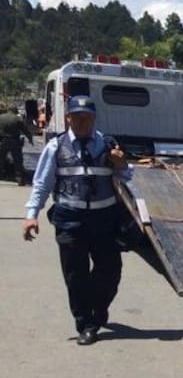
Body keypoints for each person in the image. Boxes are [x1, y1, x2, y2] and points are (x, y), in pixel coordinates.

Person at [22, 95, 131, 345]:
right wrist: (31, 216)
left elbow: (127, 176)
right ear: (68, 118)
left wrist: (121, 163)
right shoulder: (55, 147)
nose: (82, 122)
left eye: (87, 118)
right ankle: (86, 323)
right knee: (76, 275)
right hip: (70, 219)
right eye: (77, 117)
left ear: (94, 119)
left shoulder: (108, 143)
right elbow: (42, 183)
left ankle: (98, 307)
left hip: (104, 219)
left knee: (111, 271)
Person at [0, 103, 34, 184]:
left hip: (3, 141)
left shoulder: (1, 117)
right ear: (15, 110)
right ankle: (19, 177)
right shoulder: (17, 119)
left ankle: (1, 174)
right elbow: (25, 130)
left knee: (1, 159)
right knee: (18, 160)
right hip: (14, 141)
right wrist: (30, 139)